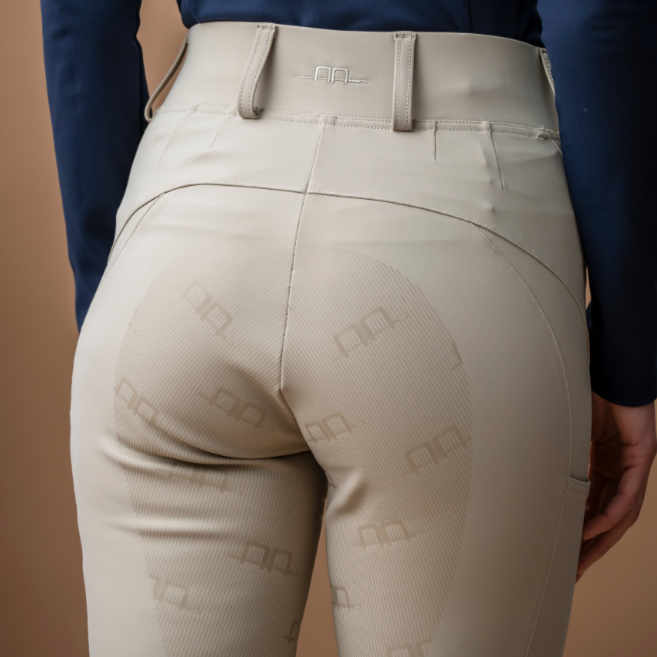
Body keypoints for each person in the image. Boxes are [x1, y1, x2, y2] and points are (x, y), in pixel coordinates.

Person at [40, 2, 656, 656]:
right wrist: (627, 354)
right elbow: (595, 19)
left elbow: (80, 16)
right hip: (459, 219)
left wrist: (113, 291)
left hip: (188, 219)